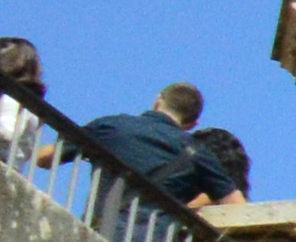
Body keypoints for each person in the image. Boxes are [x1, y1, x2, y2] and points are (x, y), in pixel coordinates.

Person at [71, 78, 251, 211]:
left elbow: (45, 158)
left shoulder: (109, 126)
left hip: (99, 229)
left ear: (157, 101)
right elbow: (238, 206)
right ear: (192, 124)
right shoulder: (196, 153)